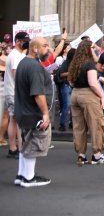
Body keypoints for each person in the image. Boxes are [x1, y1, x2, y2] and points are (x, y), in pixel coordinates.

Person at [13, 36, 53, 187]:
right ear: (35, 48)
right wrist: (45, 114)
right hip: (33, 112)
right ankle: (28, 178)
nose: (47, 49)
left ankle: (22, 174)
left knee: (26, 143)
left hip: (24, 111)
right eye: (44, 46)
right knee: (34, 144)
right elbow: (38, 93)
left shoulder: (24, 63)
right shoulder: (34, 66)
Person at [68, 40, 104, 165]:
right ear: (88, 49)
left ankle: (81, 154)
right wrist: (101, 96)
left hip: (75, 94)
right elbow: (93, 83)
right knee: (96, 124)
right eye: (92, 47)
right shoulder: (89, 64)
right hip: (88, 95)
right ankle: (97, 155)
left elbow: (71, 82)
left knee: (79, 126)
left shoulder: (74, 63)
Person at [4, 31, 29, 159]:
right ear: (18, 41)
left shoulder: (17, 55)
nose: (27, 43)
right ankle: (18, 148)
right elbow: (16, 73)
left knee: (14, 119)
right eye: (25, 41)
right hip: (14, 92)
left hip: (12, 91)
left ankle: (14, 148)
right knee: (17, 120)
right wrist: (23, 89)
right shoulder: (15, 55)